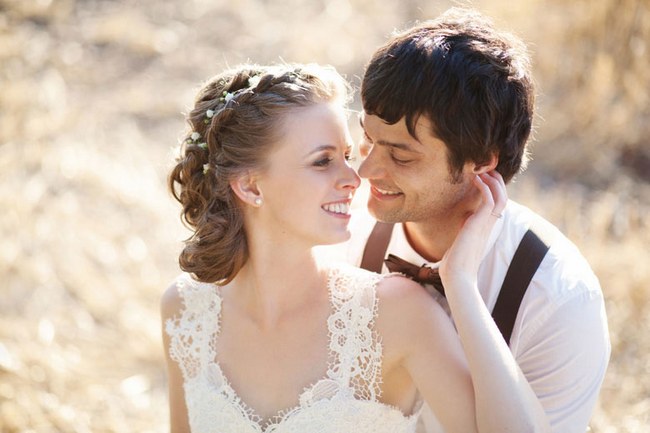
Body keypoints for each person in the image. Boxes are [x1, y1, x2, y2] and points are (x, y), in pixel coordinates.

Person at [160, 62, 530, 433]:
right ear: (251, 187)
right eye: (323, 161)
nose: (355, 179)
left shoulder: (396, 314)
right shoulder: (185, 311)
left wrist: (460, 280)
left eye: (347, 156)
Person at [339, 7, 610, 433]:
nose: (366, 170)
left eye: (401, 155)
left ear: (481, 163)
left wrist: (460, 284)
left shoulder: (558, 299)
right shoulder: (342, 233)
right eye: (368, 139)